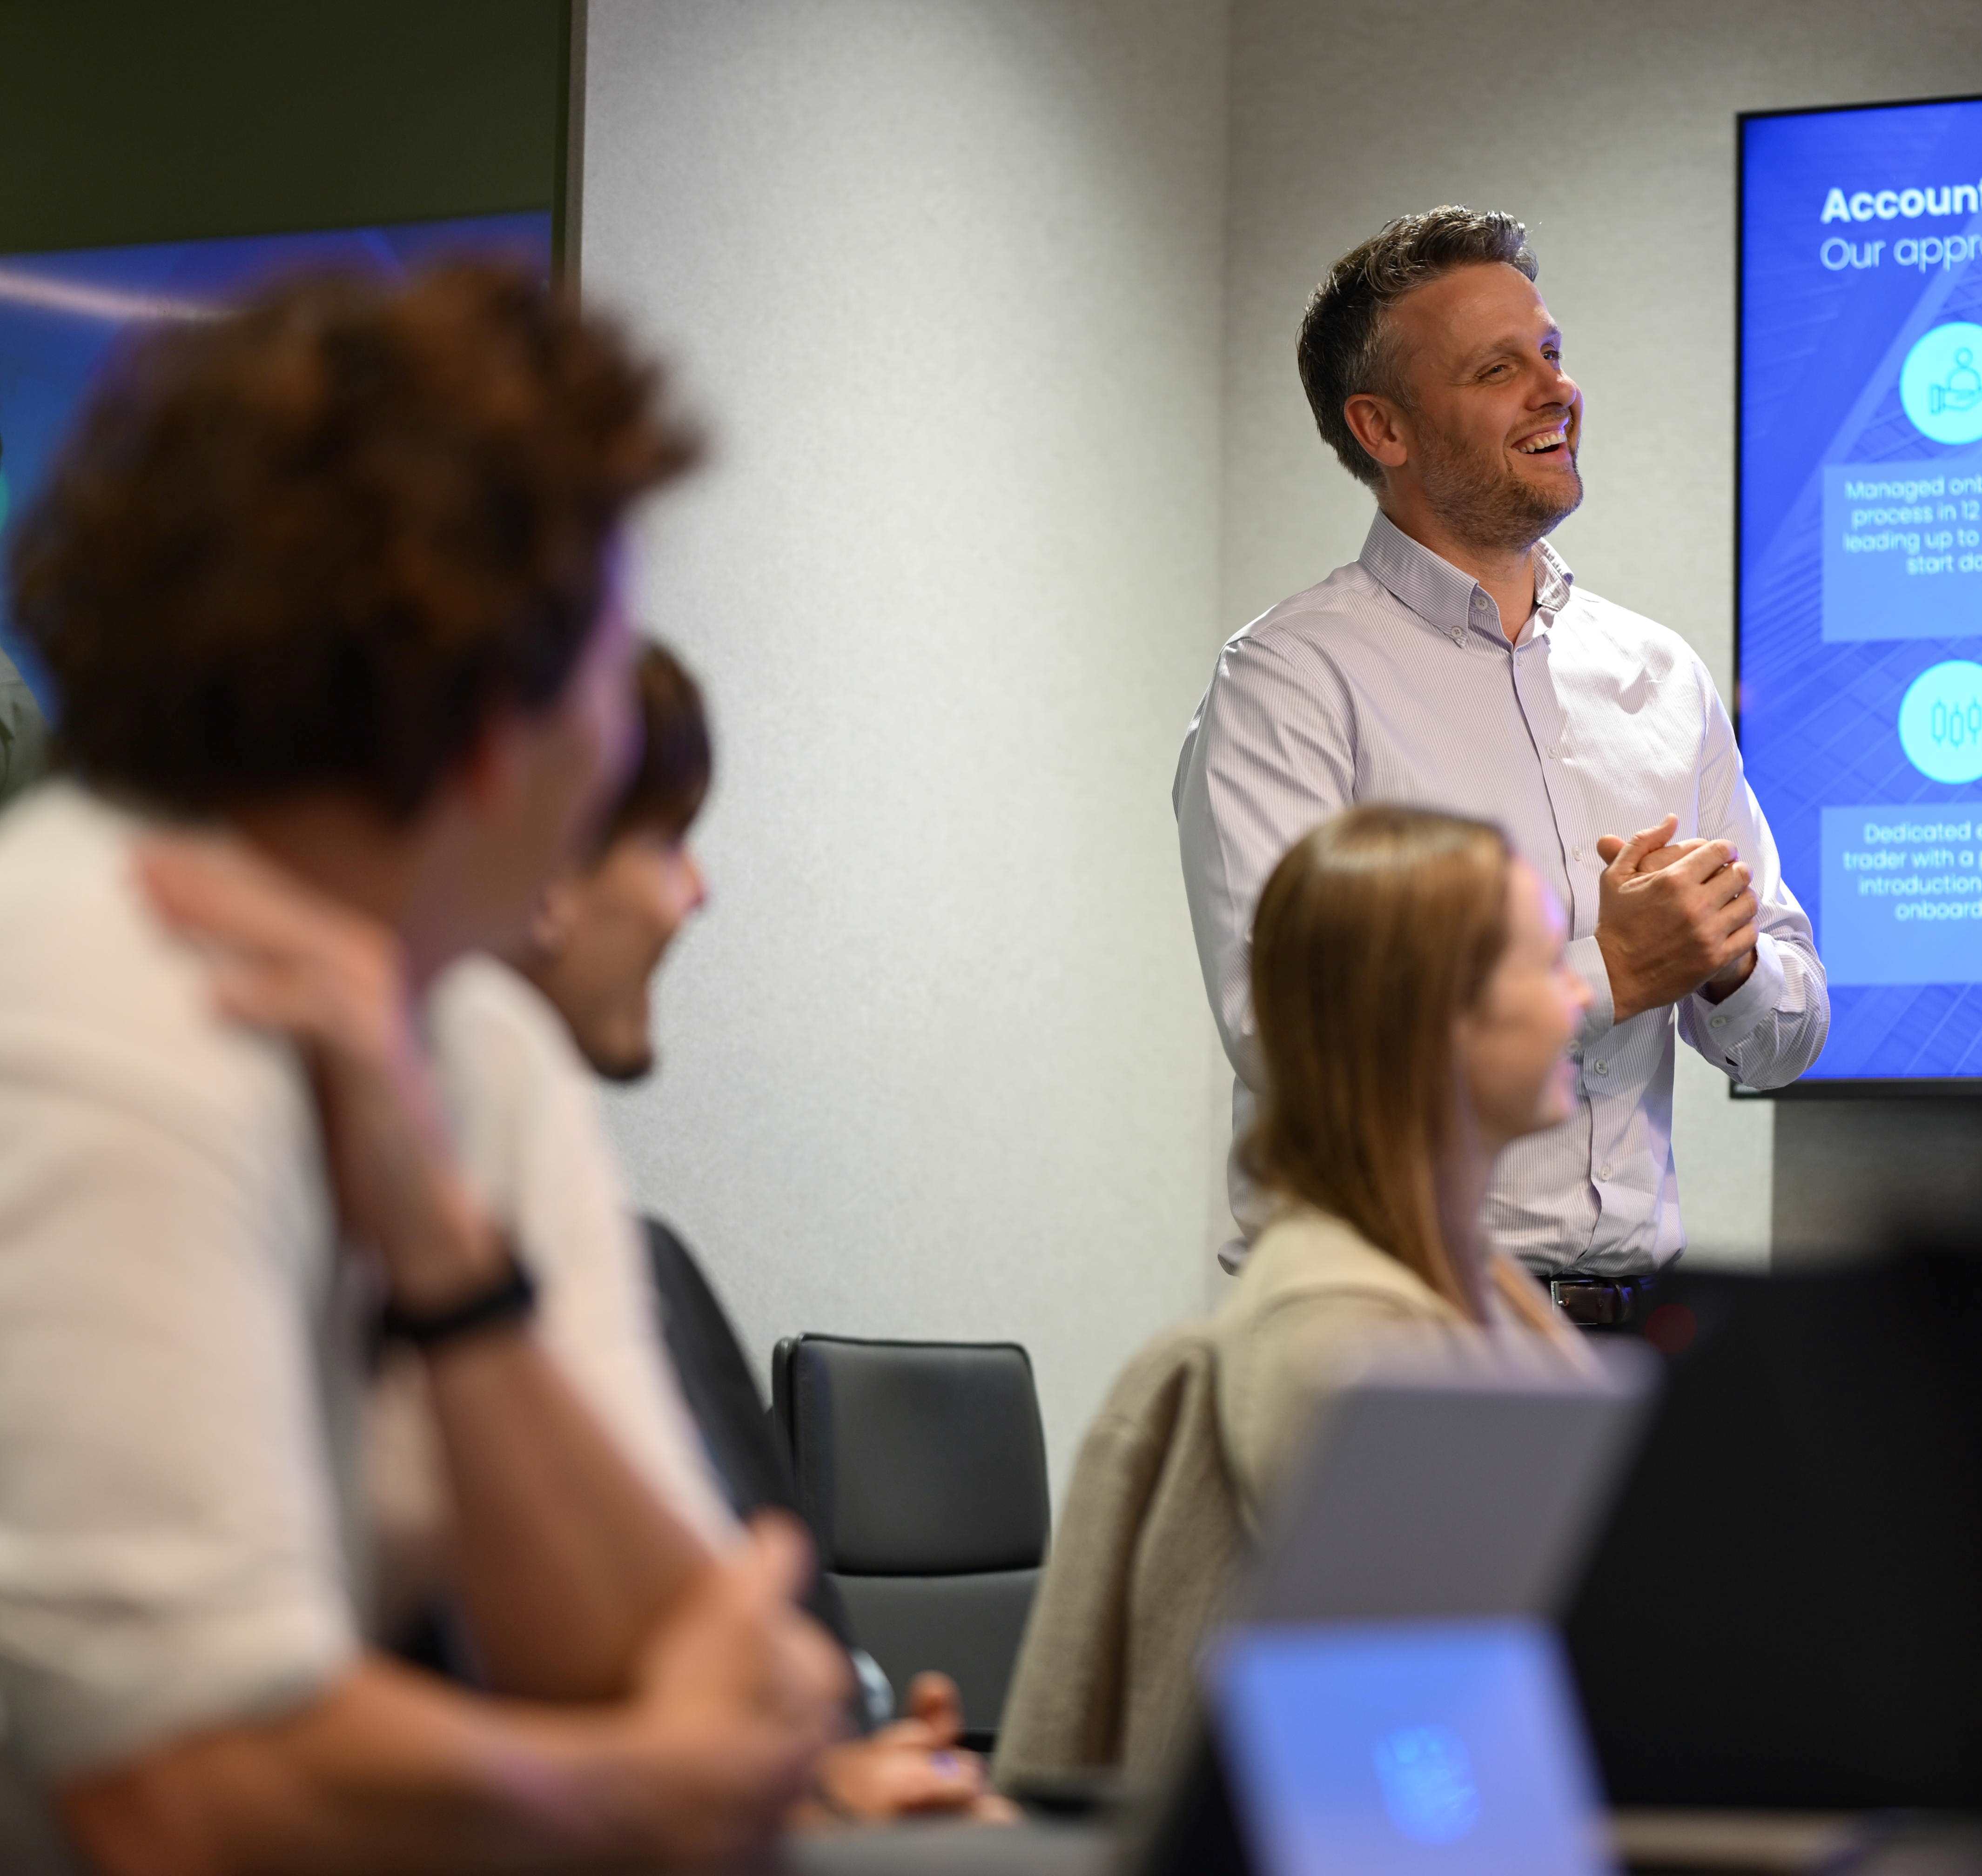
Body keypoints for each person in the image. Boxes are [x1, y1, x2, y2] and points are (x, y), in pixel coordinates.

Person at [0, 261, 849, 1872]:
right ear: (489, 722)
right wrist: (613, 1791)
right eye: (610, 670)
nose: (616, 736)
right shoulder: (87, 997)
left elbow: (703, 1657)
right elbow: (180, 1795)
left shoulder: (465, 1041)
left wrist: (445, 1251)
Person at [1175, 206, 1830, 1323]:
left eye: (1554, 355)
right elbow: (1294, 1048)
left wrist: (1722, 968)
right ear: (1383, 429)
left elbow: (1786, 1036)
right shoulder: (1289, 683)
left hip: (1638, 1338)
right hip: (1390, 1336)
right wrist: (1609, 970)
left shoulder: (1661, 676)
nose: (1556, 390)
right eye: (1498, 369)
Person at [432, 635, 1007, 1823]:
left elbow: (777, 1642)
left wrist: (868, 1750)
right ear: (542, 875)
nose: (695, 893)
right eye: (665, 841)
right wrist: (806, 1787)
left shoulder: (652, 1273)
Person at [995, 803, 1597, 1787]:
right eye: (1548, 966)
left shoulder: (1457, 1287)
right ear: (1436, 1017)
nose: (1580, 996)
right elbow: (1447, 1693)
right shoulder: (1337, 1335)